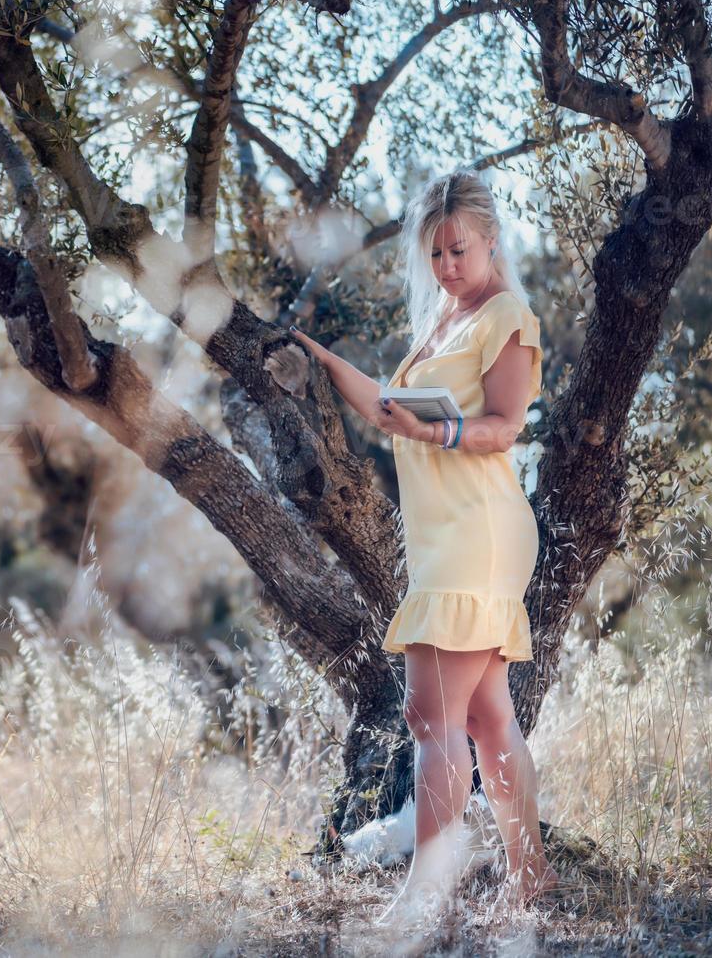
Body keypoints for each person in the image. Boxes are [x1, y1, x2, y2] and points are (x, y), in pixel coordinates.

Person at [290, 169, 557, 920]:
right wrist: (315, 357)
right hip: (448, 535)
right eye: (434, 254)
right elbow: (386, 407)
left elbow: (504, 427)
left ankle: (422, 896)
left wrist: (434, 430)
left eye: (457, 251)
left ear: (489, 239)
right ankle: (529, 875)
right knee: (484, 719)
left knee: (429, 717)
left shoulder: (505, 316)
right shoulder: (443, 317)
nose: (445, 267)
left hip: (478, 528)